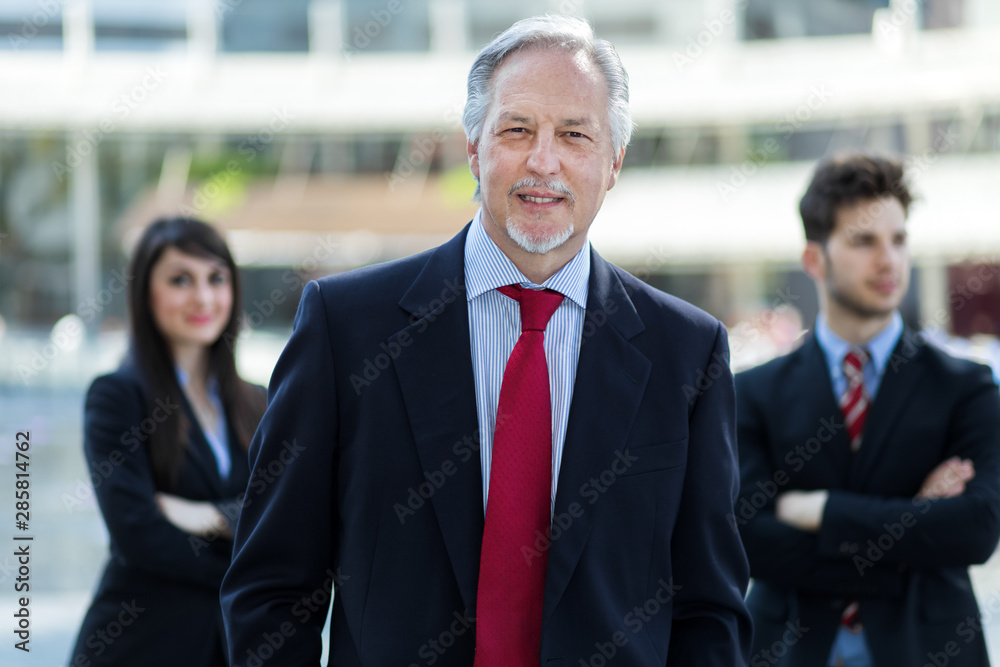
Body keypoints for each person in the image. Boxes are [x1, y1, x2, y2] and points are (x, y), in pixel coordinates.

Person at [221, 15, 751, 666]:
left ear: (612, 162)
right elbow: (271, 585)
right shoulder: (346, 328)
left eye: (575, 135)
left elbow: (709, 609)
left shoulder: (687, 353)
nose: (543, 161)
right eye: (517, 129)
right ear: (474, 149)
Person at [735, 152, 1000, 666]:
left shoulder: (966, 387)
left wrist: (822, 512)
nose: (889, 261)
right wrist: (916, 521)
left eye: (898, 240)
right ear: (815, 260)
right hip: (788, 651)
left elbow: (976, 529)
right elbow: (747, 541)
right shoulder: (751, 393)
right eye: (864, 241)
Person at [70, 218, 266, 666]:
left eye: (216, 278)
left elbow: (287, 510)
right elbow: (139, 535)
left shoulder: (259, 401)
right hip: (138, 644)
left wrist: (212, 516)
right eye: (181, 279)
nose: (203, 297)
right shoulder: (117, 397)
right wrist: (258, 567)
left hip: (230, 647)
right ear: (146, 295)